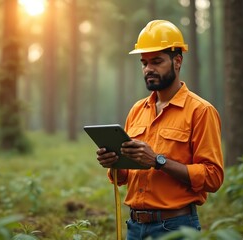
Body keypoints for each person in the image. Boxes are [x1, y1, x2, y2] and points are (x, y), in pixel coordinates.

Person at [96, 20, 224, 239]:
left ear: (177, 61)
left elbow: (213, 177)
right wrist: (113, 162)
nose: (148, 69)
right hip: (135, 228)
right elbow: (125, 177)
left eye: (156, 61)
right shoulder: (137, 110)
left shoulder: (201, 111)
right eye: (144, 63)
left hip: (176, 228)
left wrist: (158, 161)